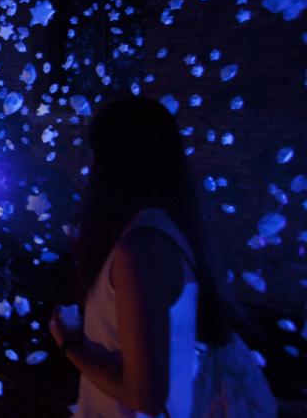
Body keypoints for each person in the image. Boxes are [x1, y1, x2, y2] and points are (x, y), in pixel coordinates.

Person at [49, 96, 242, 417]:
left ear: (115, 162)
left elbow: (145, 396)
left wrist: (69, 345)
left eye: (95, 153)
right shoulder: (163, 228)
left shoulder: (140, 250)